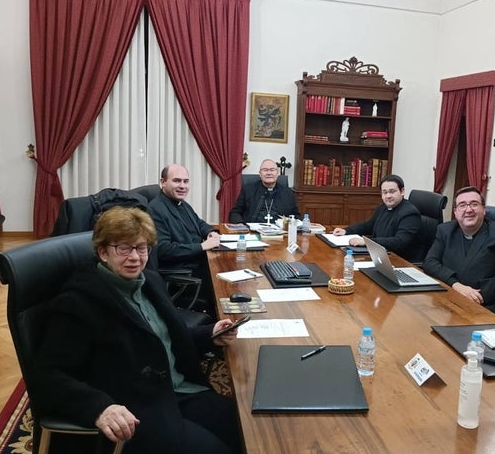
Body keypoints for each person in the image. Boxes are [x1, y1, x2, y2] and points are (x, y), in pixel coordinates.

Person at [32, 207, 240, 454]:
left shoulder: (150, 282)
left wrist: (209, 334)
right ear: (103, 252)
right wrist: (100, 408)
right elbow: (47, 376)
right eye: (124, 248)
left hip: (178, 391)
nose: (135, 257)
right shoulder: (78, 303)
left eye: (141, 248)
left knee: (244, 429)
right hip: (137, 407)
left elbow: (162, 337)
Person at [422, 186, 495, 321]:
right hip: (449, 298)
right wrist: (456, 286)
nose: (468, 210)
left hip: (486, 306)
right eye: (462, 205)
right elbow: (430, 262)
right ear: (455, 212)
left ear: (484, 210)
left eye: (474, 204)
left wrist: (474, 295)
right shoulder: (445, 230)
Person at [148, 164, 221, 312]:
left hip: (197, 262)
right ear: (162, 182)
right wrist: (201, 246)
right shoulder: (156, 209)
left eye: (186, 181)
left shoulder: (182, 204)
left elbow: (199, 223)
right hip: (183, 272)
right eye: (176, 181)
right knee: (226, 285)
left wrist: (210, 232)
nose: (182, 186)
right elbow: (164, 250)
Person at [332, 174, 421, 261]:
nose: (388, 196)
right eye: (385, 192)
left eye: (392, 191)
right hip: (380, 255)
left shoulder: (410, 213)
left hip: (400, 260)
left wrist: (366, 242)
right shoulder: (383, 207)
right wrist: (346, 230)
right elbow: (368, 226)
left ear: (402, 191)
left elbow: (399, 241)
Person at [228, 158, 300, 224]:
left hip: (281, 233)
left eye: (272, 170)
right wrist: (242, 226)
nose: (269, 173)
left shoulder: (288, 193)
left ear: (277, 173)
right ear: (260, 174)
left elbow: (296, 216)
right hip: (252, 232)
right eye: (265, 170)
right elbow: (235, 213)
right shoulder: (248, 190)